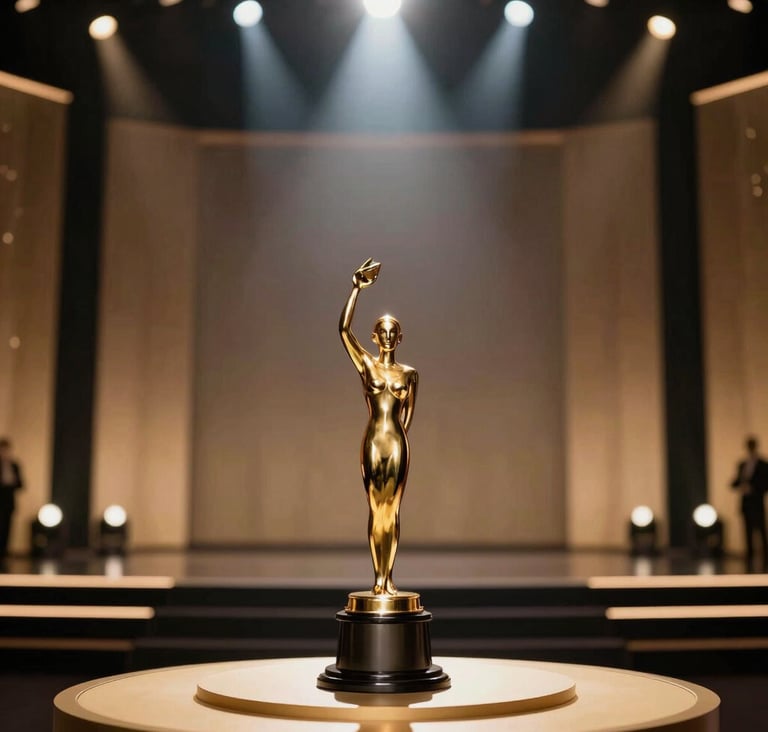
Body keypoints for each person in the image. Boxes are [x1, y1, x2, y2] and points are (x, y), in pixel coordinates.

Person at [340, 259, 418, 596]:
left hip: (396, 442)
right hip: (373, 439)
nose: (387, 336)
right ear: (374, 337)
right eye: (382, 331)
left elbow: (408, 416)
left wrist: (398, 439)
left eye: (392, 332)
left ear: (400, 338)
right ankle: (378, 580)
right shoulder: (367, 365)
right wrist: (355, 289)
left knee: (393, 509)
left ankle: (389, 578)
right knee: (376, 508)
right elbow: (344, 331)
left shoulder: (409, 374)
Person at [730, 435, 768, 568]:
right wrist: (739, 485)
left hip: (757, 502)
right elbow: (736, 481)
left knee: (761, 530)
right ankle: (750, 557)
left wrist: (753, 488)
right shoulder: (742, 464)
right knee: (747, 531)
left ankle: (765, 557)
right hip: (746, 503)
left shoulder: (763, 464)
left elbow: (766, 483)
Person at [0, 437, 24, 560]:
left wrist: (13, 482)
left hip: (9, 502)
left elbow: (21, 484)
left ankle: (4, 553)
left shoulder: (14, 465)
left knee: (7, 528)